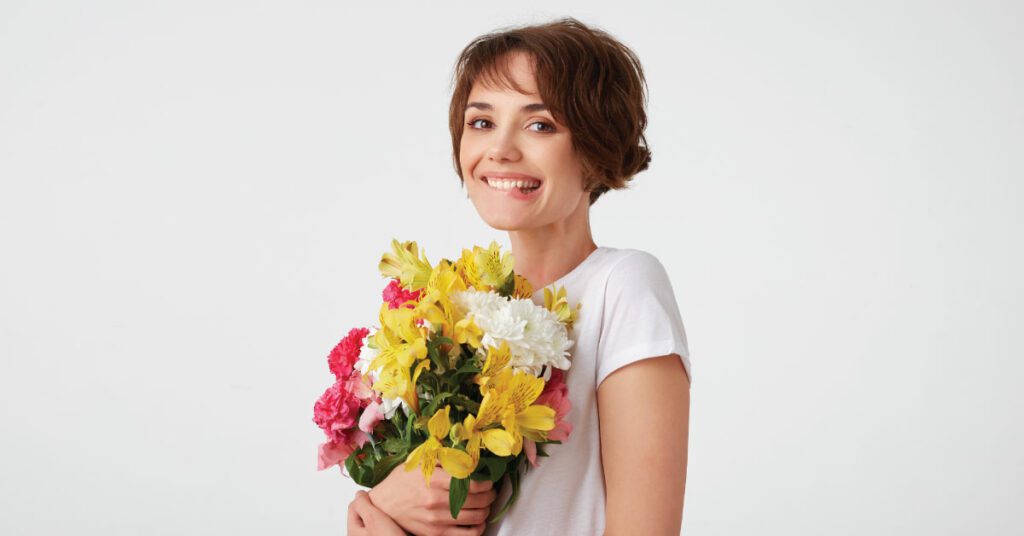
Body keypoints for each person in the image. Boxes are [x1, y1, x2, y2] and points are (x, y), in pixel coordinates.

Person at [346, 17, 692, 536]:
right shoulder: (453, 310)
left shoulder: (621, 286)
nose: (500, 149)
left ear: (596, 148)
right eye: (481, 122)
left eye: (540, 124)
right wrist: (385, 502)